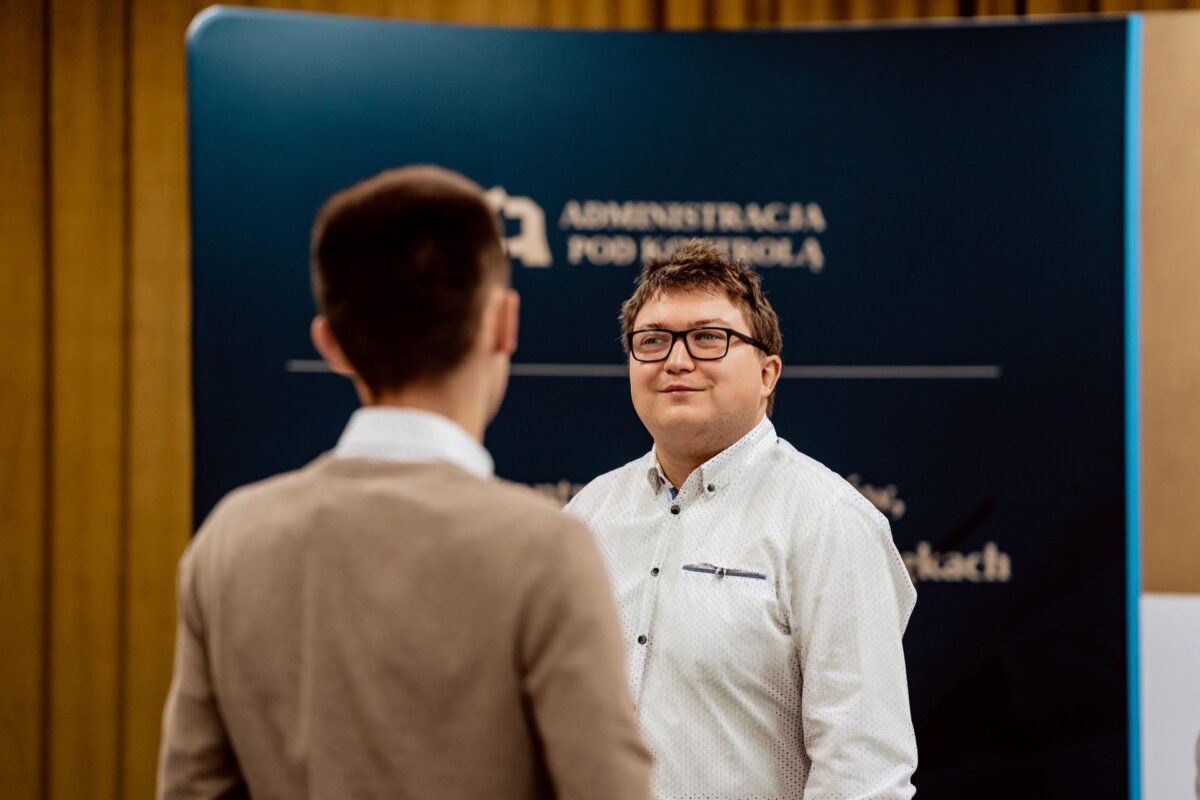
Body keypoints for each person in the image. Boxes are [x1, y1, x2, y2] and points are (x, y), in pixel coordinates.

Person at [157, 165, 653, 800]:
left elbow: (191, 788)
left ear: (331, 344)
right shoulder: (546, 550)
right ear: (504, 323)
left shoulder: (230, 540)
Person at [565, 239, 918, 799]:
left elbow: (864, 774)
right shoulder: (588, 515)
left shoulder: (829, 522)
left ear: (767, 373)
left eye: (709, 338)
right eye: (652, 341)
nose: (676, 360)